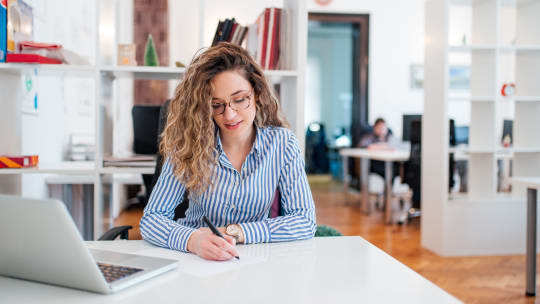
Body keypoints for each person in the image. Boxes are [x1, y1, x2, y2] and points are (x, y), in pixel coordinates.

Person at [139, 42, 316, 261]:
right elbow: (152, 219)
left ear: (257, 93)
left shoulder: (283, 144)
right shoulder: (189, 144)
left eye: (240, 99)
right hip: (196, 259)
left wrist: (238, 232)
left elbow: (304, 220)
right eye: (216, 105)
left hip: (254, 258)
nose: (230, 115)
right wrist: (192, 240)